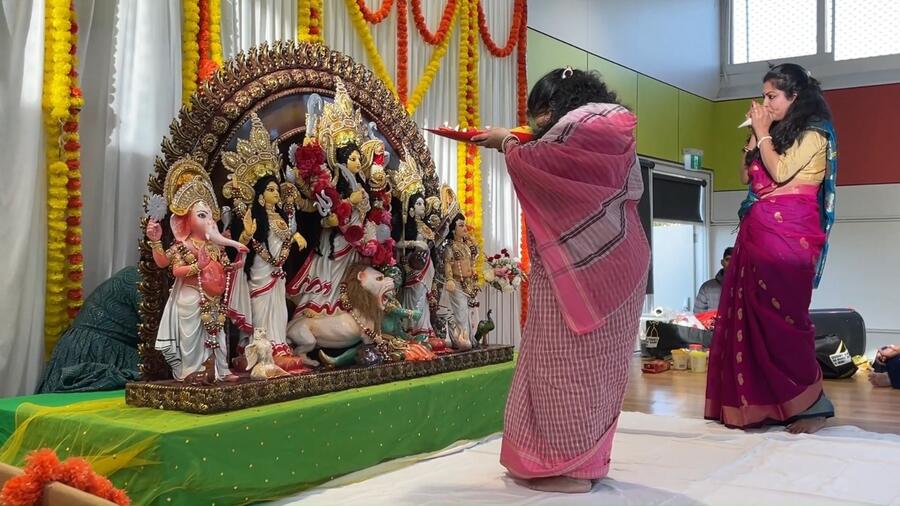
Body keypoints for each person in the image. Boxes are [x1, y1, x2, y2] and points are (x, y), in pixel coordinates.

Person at [474, 67, 650, 494]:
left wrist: (509, 142)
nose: (534, 124)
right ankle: (583, 460)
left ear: (551, 108)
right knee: (597, 369)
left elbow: (541, 163)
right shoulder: (612, 126)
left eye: (536, 114)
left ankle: (568, 467)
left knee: (563, 368)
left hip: (586, 270)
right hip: (618, 265)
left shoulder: (577, 131)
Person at [705, 63, 838, 434]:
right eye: (764, 96)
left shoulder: (814, 135)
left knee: (787, 324)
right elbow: (748, 177)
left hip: (789, 238)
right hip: (758, 236)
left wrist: (764, 133)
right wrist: (755, 137)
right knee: (752, 322)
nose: (765, 103)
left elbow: (780, 173)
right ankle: (768, 407)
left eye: (771, 96)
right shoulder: (777, 133)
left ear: (795, 96)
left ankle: (812, 407)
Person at [694, 247, 733, 312]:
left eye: (735, 260)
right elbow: (698, 316)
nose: (731, 263)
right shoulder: (707, 288)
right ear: (722, 262)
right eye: (728, 260)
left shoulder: (747, 287)